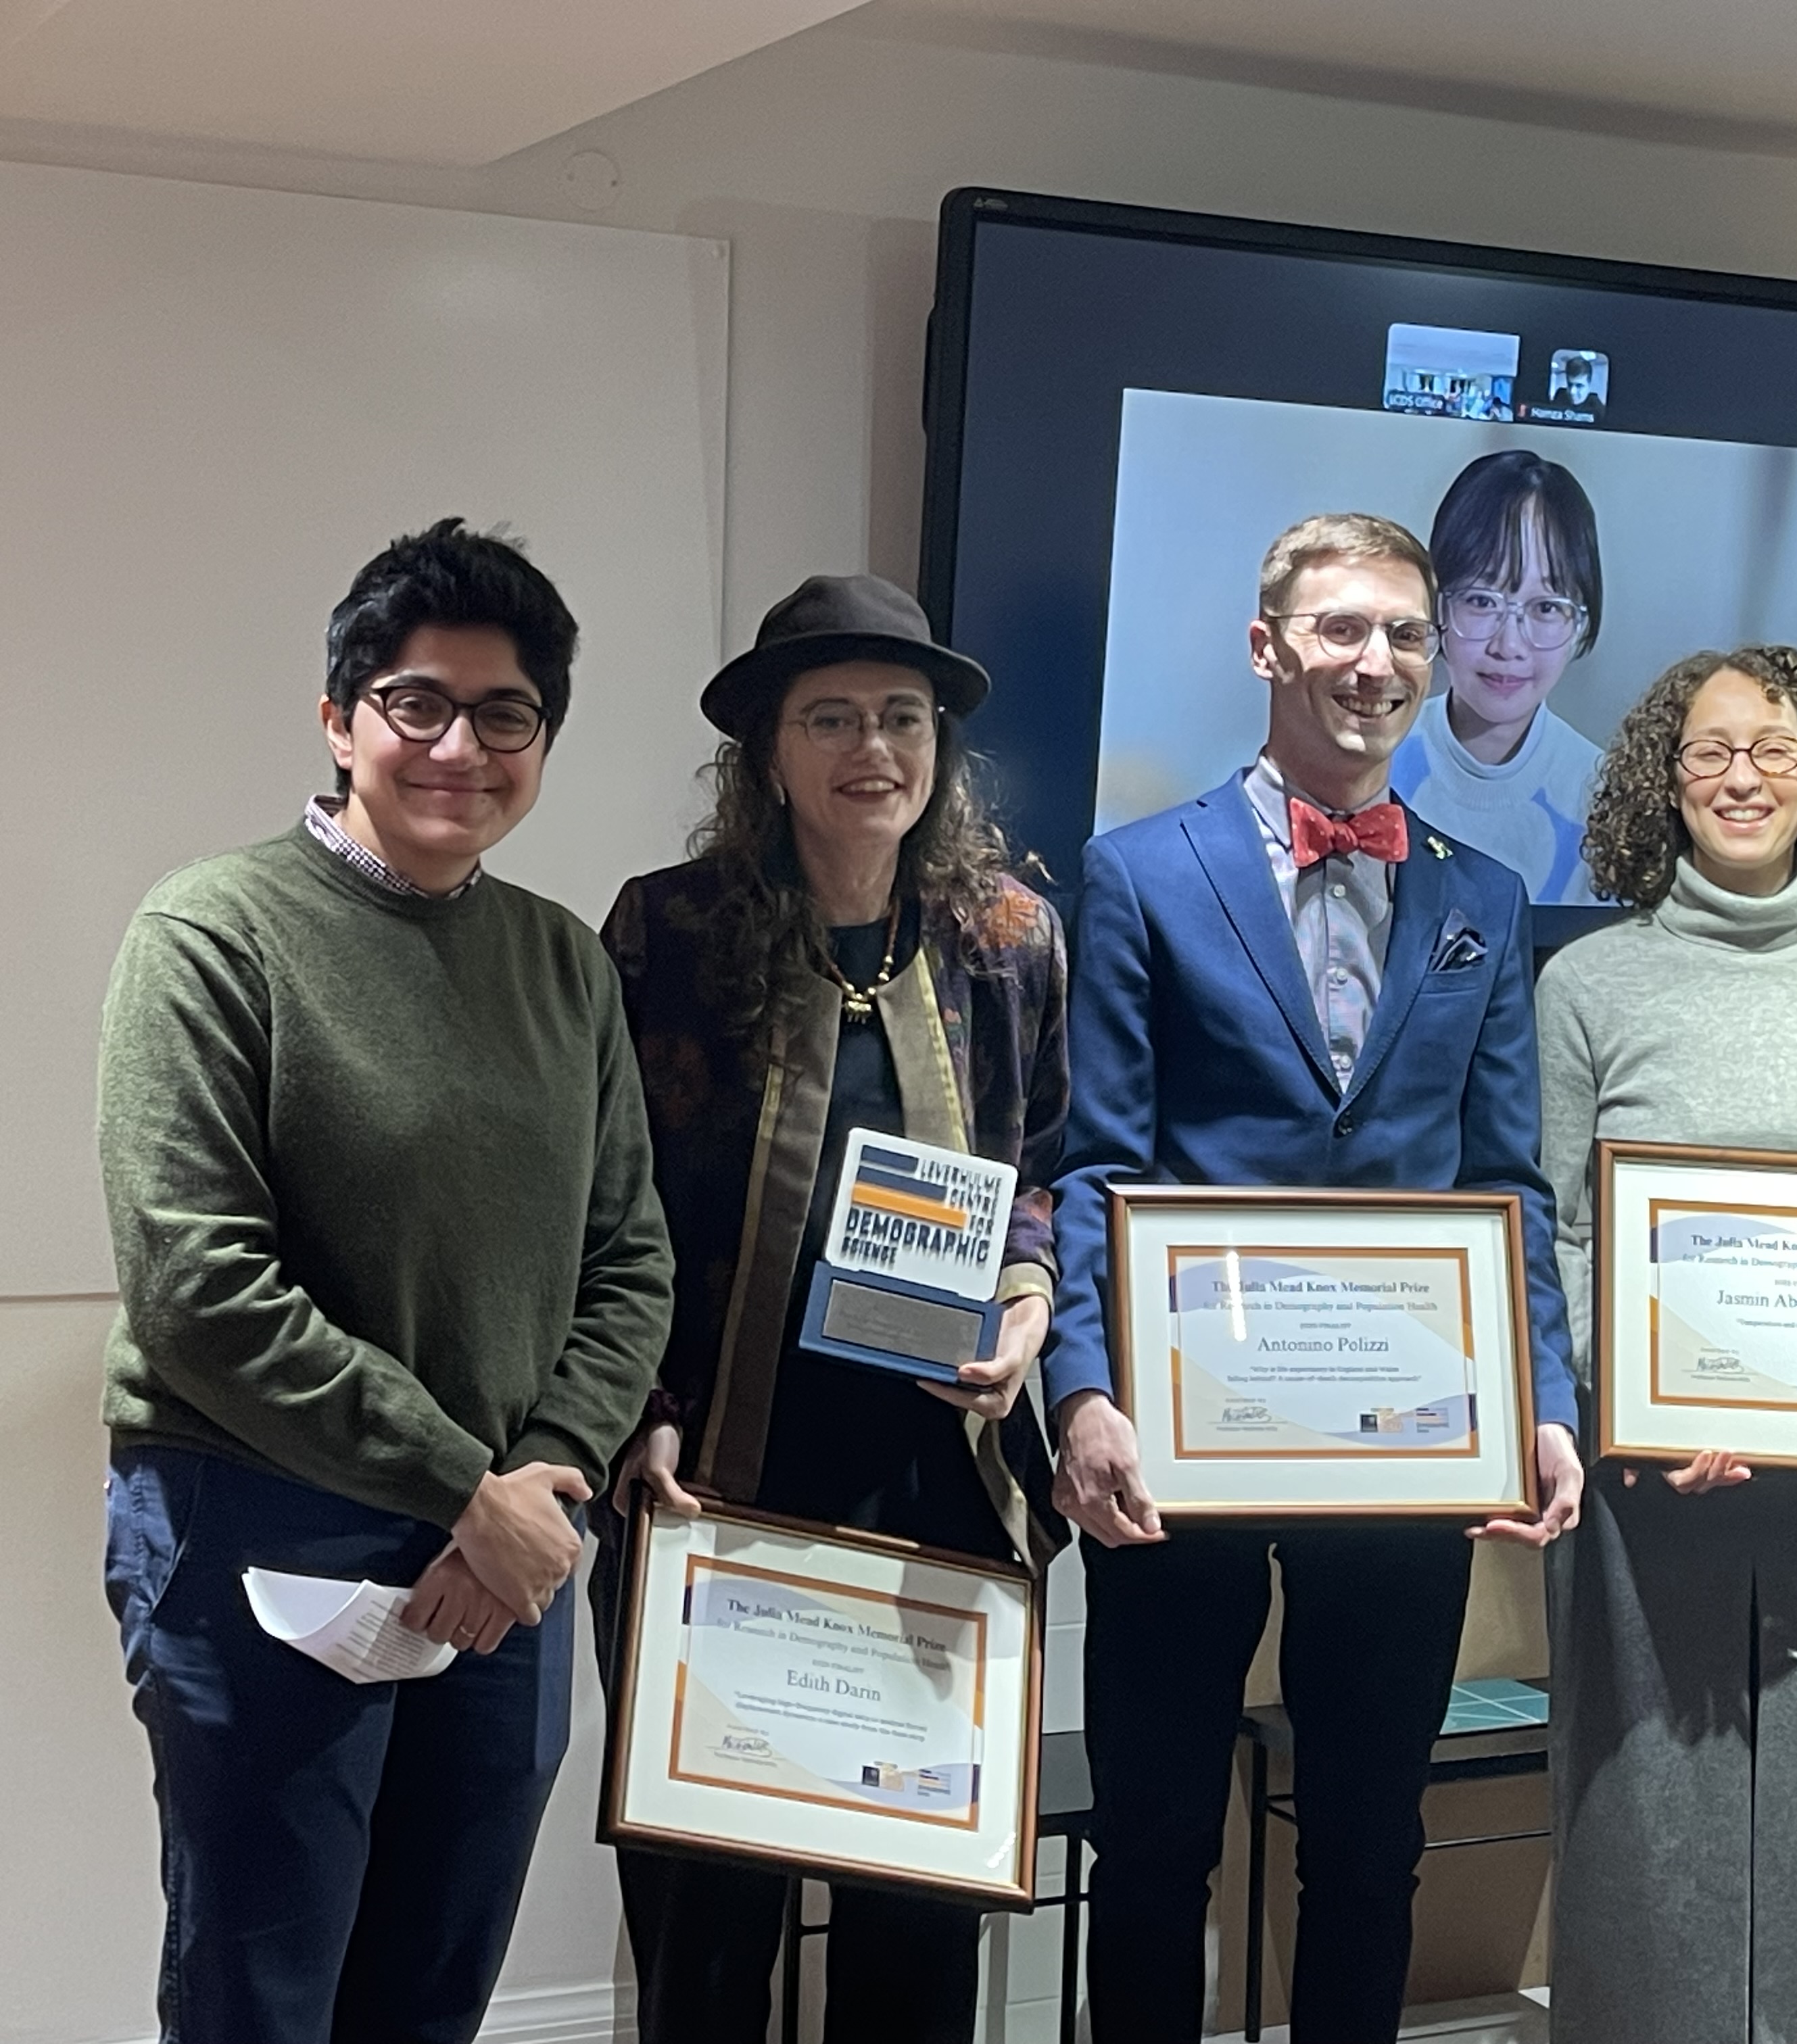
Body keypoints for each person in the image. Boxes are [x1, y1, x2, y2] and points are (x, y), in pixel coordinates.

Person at [97, 519, 674, 2044]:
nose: (458, 747)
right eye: (418, 702)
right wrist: (459, 1482)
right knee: (263, 1995)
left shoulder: (564, 964)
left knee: (433, 1990)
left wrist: (542, 1479)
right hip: (262, 1529)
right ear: (340, 713)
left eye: (506, 716)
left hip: (511, 1549)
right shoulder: (212, 934)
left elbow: (630, 1258)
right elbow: (196, 1286)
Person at [1049, 512, 1586, 2042]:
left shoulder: (1484, 898)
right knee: (1152, 1847)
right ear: (1268, 644)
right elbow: (1101, 1163)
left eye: (1404, 633)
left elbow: (1505, 1182)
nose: (1379, 661)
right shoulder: (1142, 871)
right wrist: (1085, 1391)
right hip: (1177, 1441)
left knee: (1370, 1847)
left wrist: (1541, 1400)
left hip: (1401, 1453)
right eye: (1344, 629)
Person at [593, 575, 1070, 2044]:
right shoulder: (665, 933)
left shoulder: (1008, 936)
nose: (875, 747)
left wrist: (1028, 1302)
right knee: (707, 1927)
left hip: (931, 1476)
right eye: (833, 717)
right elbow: (607, 1206)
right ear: (770, 752)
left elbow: (1042, 1163)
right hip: (717, 1474)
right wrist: (642, 1418)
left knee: (913, 1919)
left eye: (903, 718)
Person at [1535, 645, 1797, 2043]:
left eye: (1773, 748)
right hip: (1655, 1476)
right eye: (1711, 750)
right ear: (1664, 779)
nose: (1742, 776)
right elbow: (1566, 1236)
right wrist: (1640, 1413)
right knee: (1646, 1809)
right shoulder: (1587, 985)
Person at [1389, 451, 1607, 903]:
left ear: (1580, 623)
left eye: (1546, 607)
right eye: (1483, 601)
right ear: (1437, 604)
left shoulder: (1605, 795)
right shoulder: (1373, 763)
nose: (1508, 646)